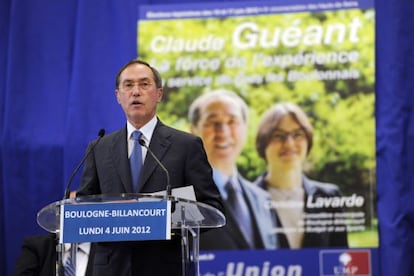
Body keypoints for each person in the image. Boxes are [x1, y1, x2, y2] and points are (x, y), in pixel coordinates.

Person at [76, 59, 223, 276]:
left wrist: (160, 215)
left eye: (144, 84)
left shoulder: (186, 145)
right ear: (118, 96)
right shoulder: (99, 147)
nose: (136, 92)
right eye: (128, 85)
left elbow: (211, 206)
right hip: (112, 269)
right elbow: (84, 206)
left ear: (159, 94)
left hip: (166, 266)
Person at [188, 89, 278, 250]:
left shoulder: (263, 199)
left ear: (245, 128)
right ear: (193, 131)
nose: (223, 132)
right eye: (212, 122)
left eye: (232, 121)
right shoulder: (180, 198)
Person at [254, 102, 348, 248]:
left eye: (298, 134)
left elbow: (341, 260)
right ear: (263, 143)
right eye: (278, 136)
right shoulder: (247, 200)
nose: (289, 143)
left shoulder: (330, 197)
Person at [13, 192, 94, 276]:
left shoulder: (105, 251)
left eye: (82, 209)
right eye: (71, 208)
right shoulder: (38, 247)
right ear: (60, 214)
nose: (76, 215)